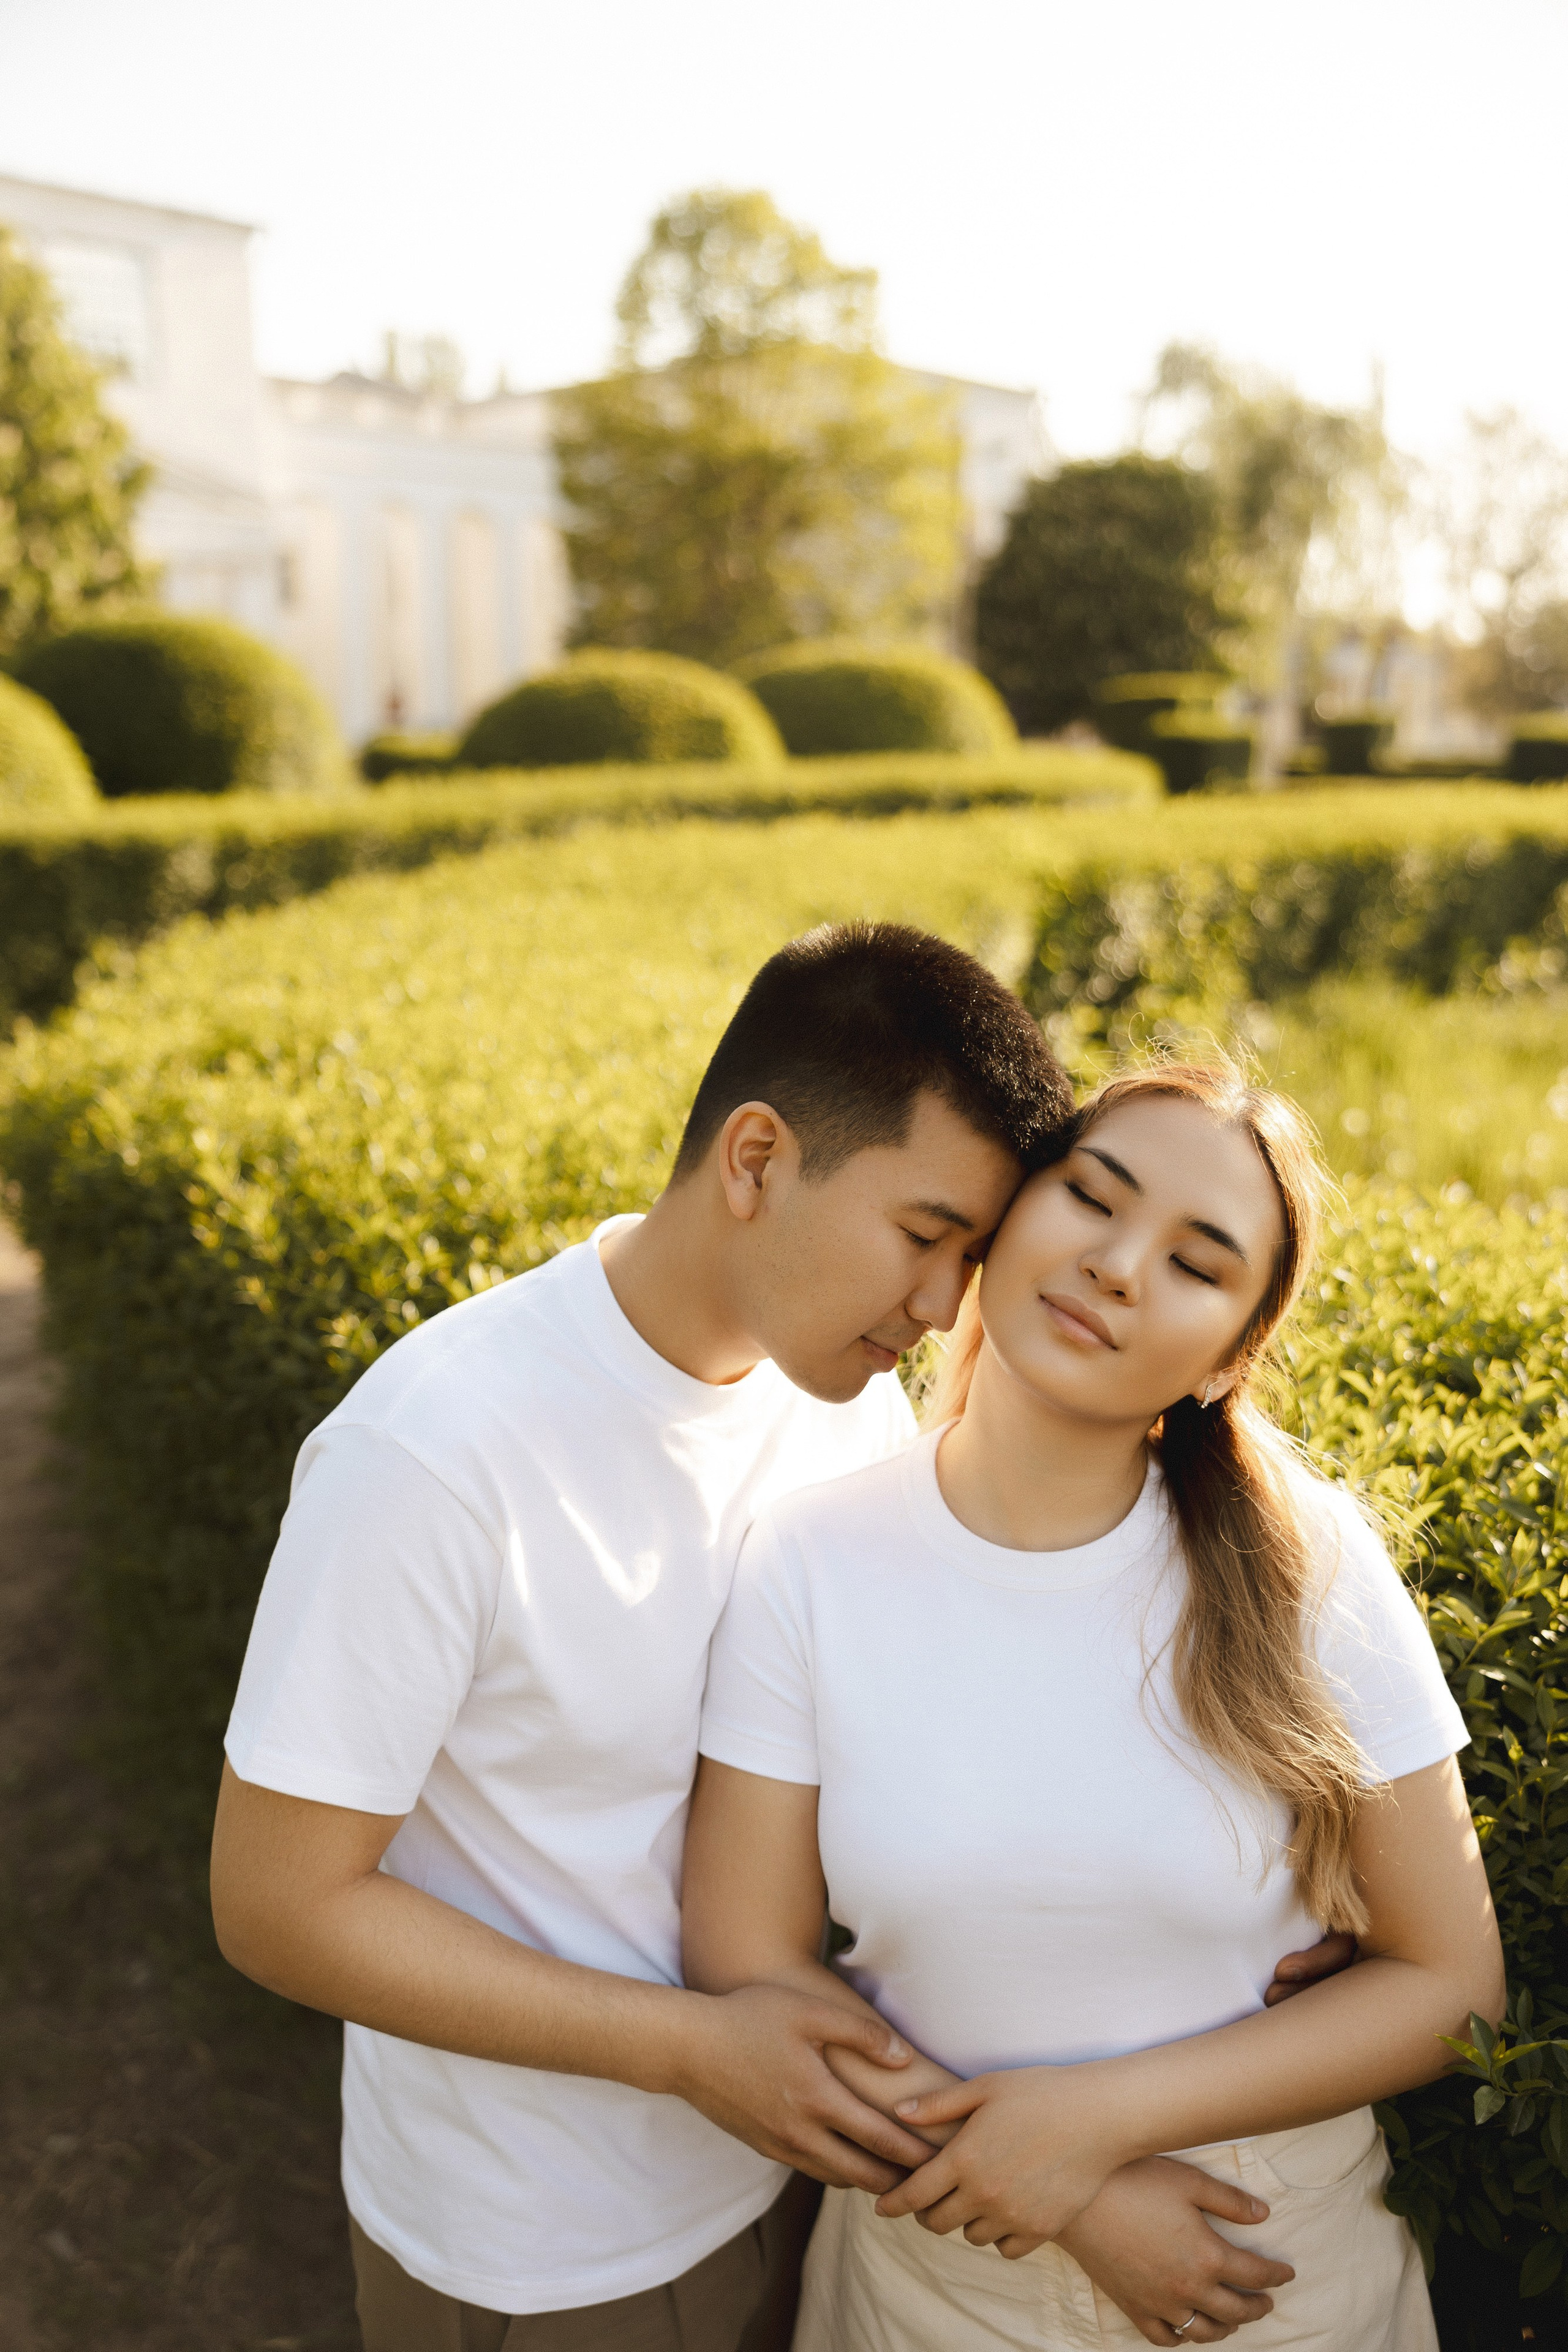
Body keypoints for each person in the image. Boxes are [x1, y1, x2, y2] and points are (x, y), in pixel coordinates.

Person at [211, 936, 1351, 2352]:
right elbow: (277, 1904)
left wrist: (1263, 1915)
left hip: (817, 2191)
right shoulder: (437, 1455)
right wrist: (691, 2052)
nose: (946, 1306)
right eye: (923, 1234)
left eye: (970, 1251)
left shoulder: (841, 1405)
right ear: (754, 1160)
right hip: (553, 2248)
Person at [686, 1060, 1504, 2351]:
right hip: (926, 2284)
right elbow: (745, 1960)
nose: (1118, 1267)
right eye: (1091, 1197)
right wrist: (1076, 2196)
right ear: (1008, 1215)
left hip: (1260, 2277)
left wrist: (1091, 2124)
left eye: (1194, 1263)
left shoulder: (1310, 1564)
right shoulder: (808, 1559)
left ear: (1226, 1360)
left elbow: (1451, 1983)